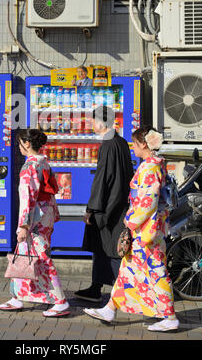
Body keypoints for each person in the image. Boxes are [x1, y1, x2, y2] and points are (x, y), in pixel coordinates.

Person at [84, 126, 180, 332]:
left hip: (146, 232)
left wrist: (130, 221)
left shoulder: (149, 168)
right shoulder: (155, 165)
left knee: (157, 272)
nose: (132, 147)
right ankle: (110, 308)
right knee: (128, 269)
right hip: (151, 229)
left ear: (144, 144)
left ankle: (170, 317)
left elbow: (147, 202)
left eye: (135, 144)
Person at [0, 128, 70, 317]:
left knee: (41, 257)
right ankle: (17, 296)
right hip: (44, 215)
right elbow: (51, 192)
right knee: (23, 254)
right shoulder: (43, 162)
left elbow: (27, 198)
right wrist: (54, 213)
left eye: (20, 143)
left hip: (34, 219)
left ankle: (60, 301)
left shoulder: (29, 167)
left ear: (27, 144)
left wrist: (23, 225)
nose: (19, 147)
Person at [74, 106, 134, 302]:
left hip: (107, 207)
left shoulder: (107, 145)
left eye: (93, 121)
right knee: (102, 247)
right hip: (119, 202)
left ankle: (123, 292)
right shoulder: (122, 142)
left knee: (112, 249)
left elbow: (101, 181)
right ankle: (96, 286)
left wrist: (91, 209)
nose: (91, 125)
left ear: (101, 122)